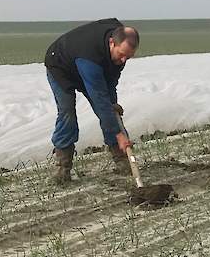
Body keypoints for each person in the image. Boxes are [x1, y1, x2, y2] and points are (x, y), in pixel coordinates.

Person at [44, 19, 140, 184]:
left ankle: (121, 158)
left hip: (88, 65)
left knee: (110, 109)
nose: (124, 60)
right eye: (122, 55)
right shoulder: (90, 58)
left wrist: (112, 104)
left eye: (128, 57)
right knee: (67, 112)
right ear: (111, 43)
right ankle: (62, 168)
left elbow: (110, 82)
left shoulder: (119, 47)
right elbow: (99, 98)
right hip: (61, 67)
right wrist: (118, 133)